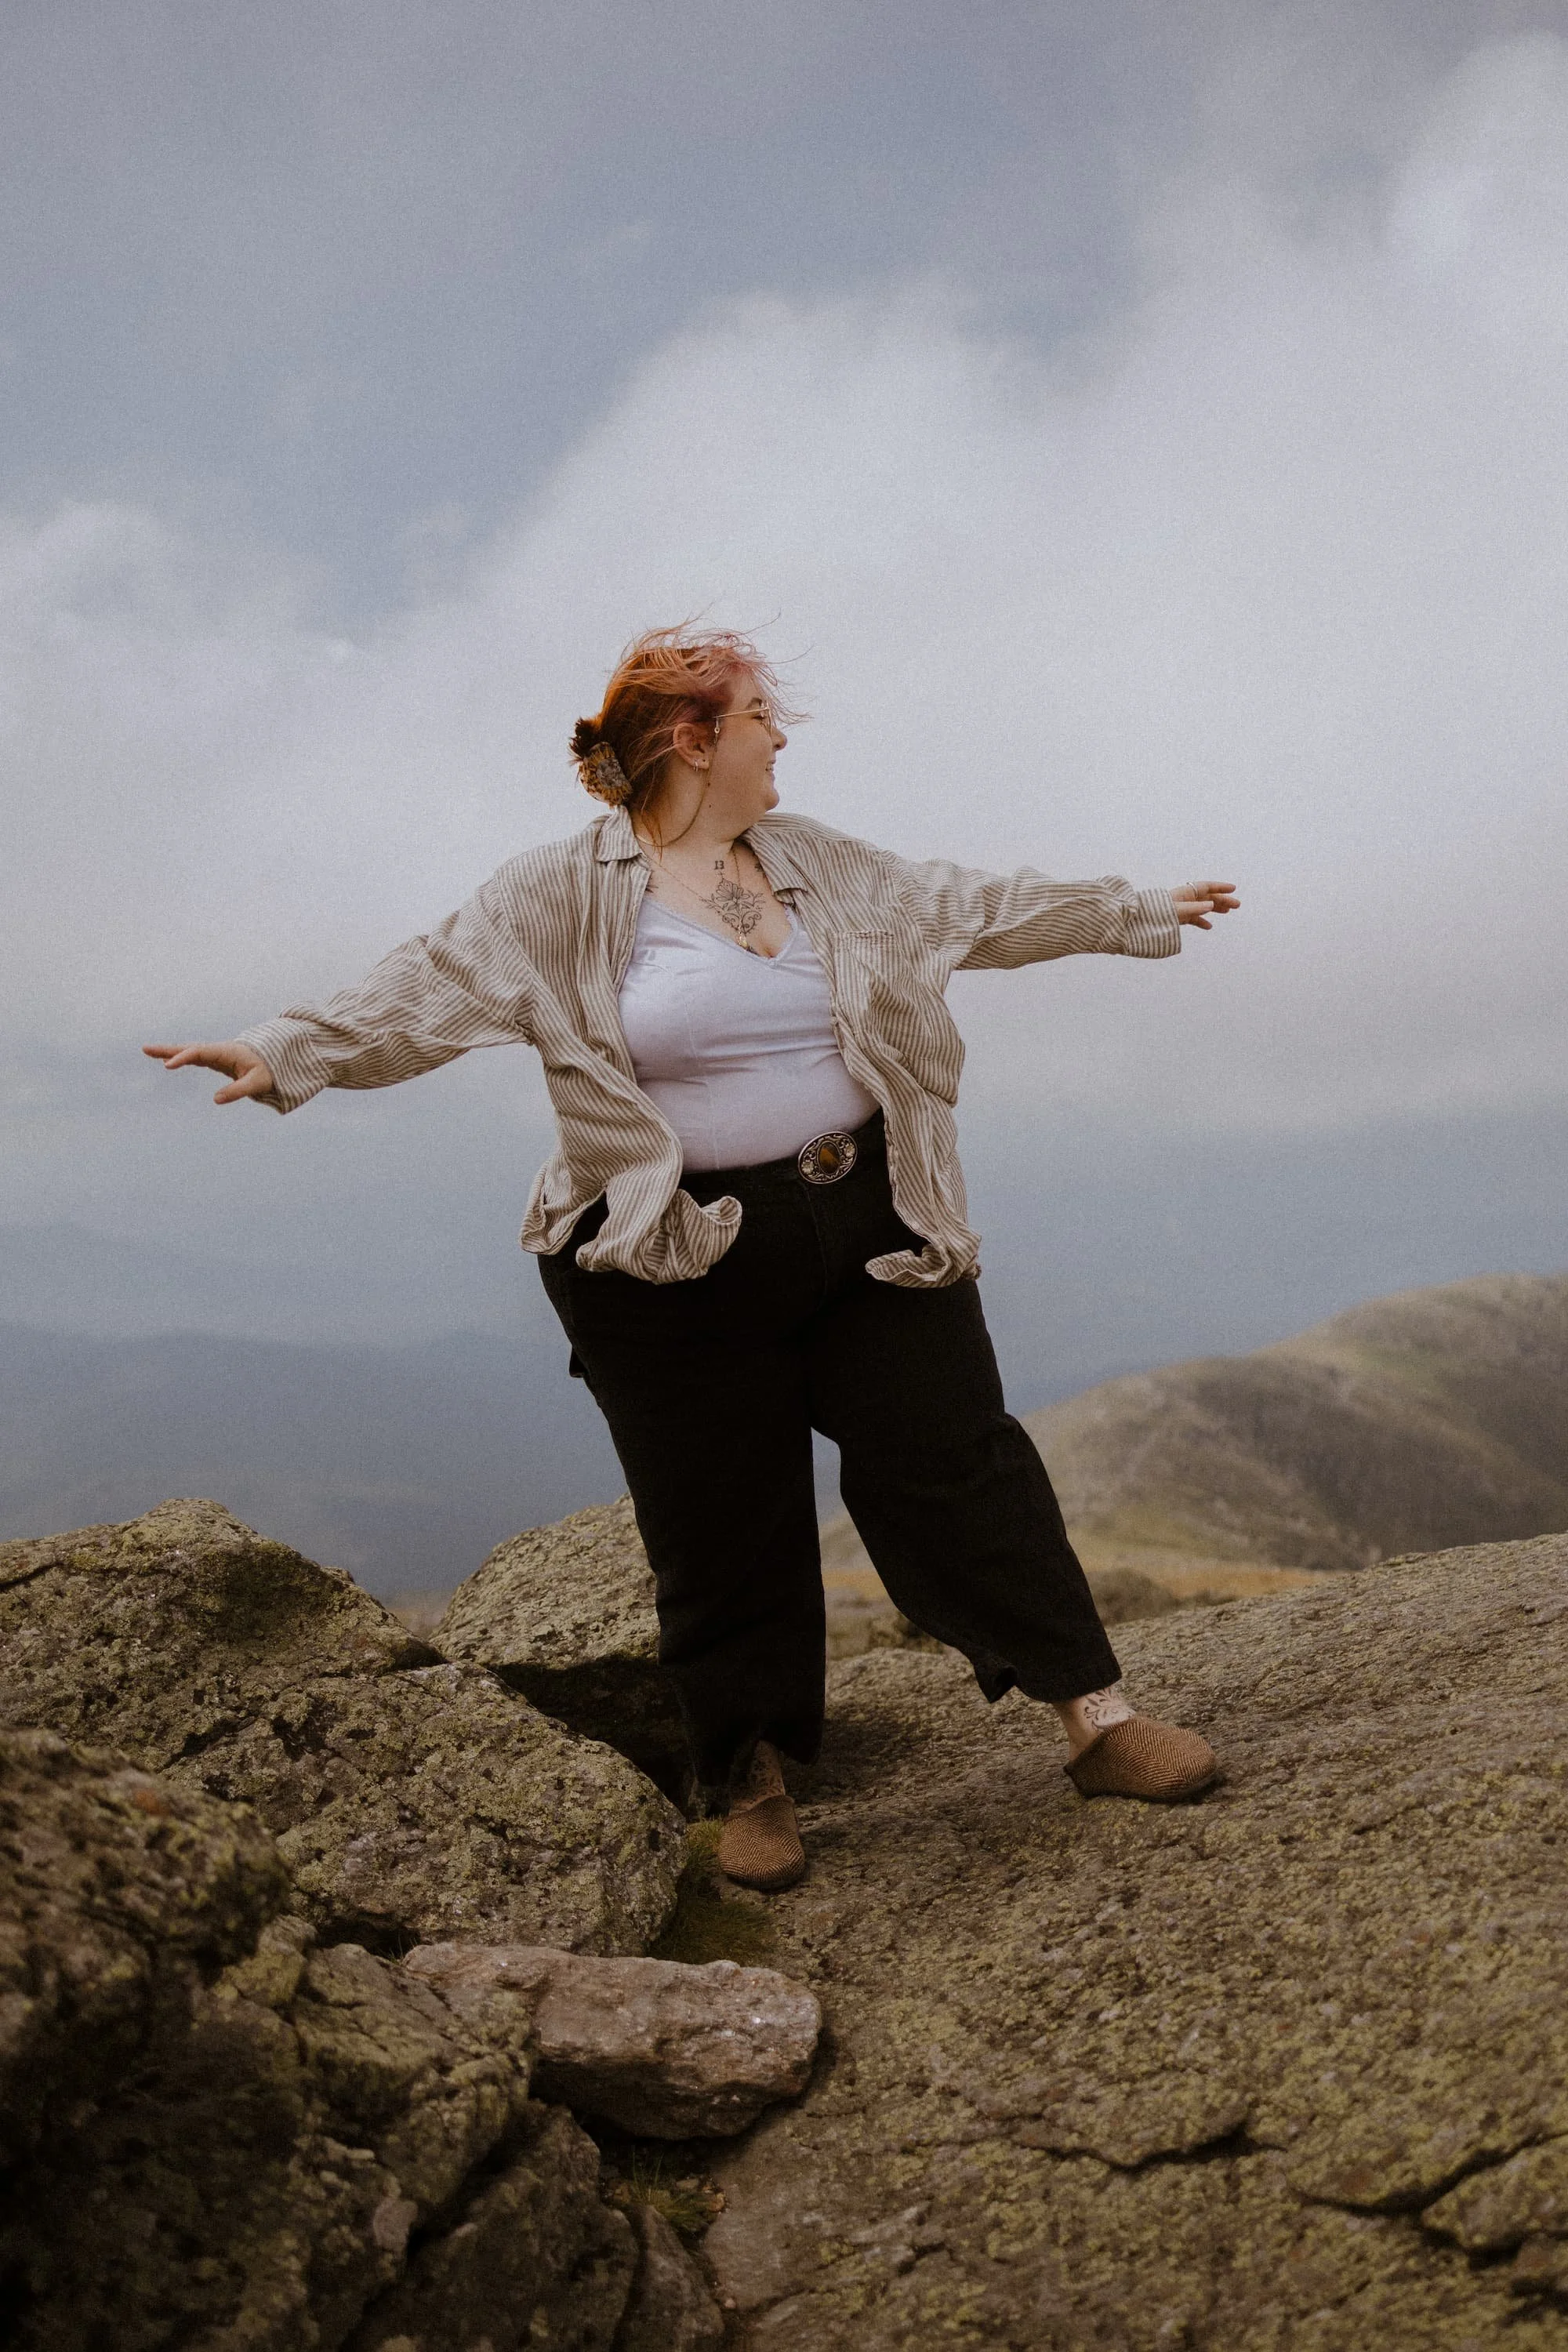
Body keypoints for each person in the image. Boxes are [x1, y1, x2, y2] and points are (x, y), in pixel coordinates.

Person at [147, 625, 1240, 1892]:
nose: (784, 734)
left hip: (872, 1218)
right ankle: (750, 1779)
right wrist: (283, 1052)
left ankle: (1098, 1722)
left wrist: (1133, 910)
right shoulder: (558, 891)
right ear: (693, 738)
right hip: (673, 1259)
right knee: (721, 1516)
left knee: (960, 1461)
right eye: (764, 712)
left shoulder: (817, 861)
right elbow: (431, 984)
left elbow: (969, 904)